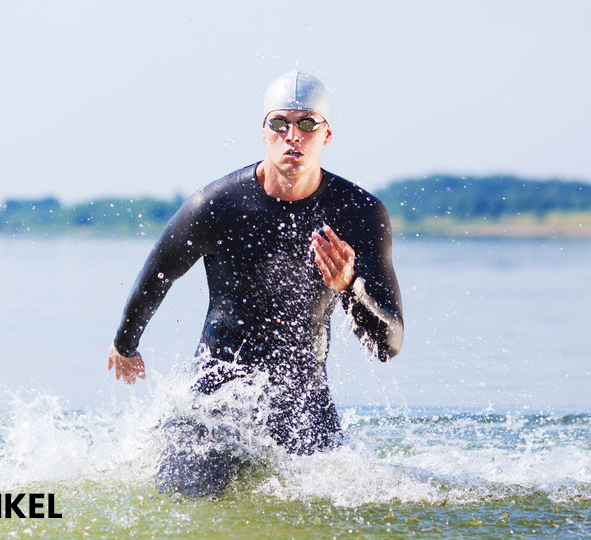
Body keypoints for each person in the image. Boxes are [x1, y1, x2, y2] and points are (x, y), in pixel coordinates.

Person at [106, 70, 404, 497]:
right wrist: (125, 343)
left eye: (307, 124)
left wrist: (348, 285)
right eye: (280, 123)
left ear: (327, 135)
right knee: (183, 501)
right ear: (263, 132)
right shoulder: (217, 204)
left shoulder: (358, 213)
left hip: (302, 399)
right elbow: (158, 273)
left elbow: (388, 344)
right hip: (218, 394)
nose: (292, 136)